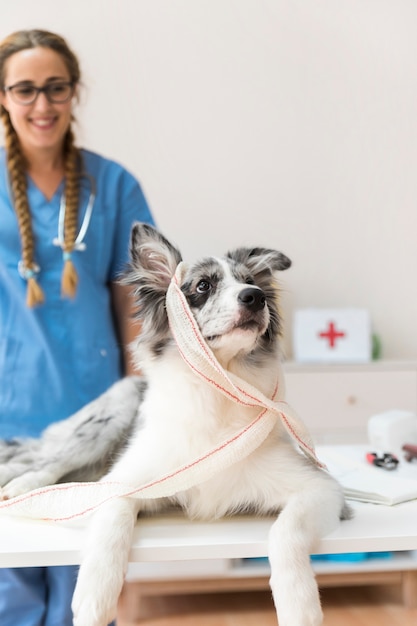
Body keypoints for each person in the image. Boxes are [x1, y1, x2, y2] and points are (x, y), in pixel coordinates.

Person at [0, 29, 155, 626]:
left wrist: (148, 402)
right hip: (8, 415)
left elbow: (139, 308)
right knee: (10, 593)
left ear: (74, 92)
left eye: (56, 88)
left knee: (83, 595)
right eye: (26, 90)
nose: (43, 105)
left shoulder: (114, 186)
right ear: (5, 97)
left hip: (94, 422)